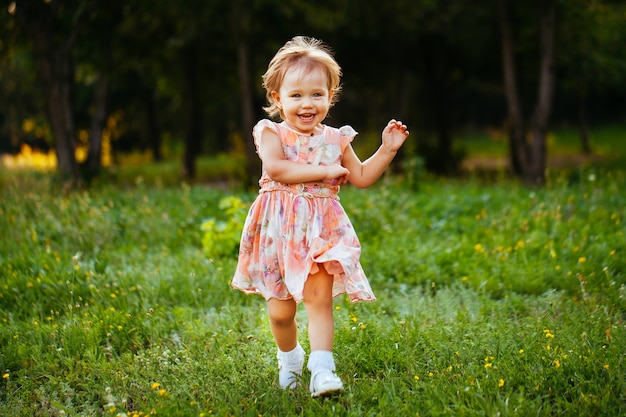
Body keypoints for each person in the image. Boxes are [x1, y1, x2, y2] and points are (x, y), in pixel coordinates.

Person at [232, 36, 409, 397]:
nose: (307, 103)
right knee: (281, 313)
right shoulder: (271, 132)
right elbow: (277, 169)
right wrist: (324, 172)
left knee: (319, 299)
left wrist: (386, 151)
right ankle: (291, 359)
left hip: (321, 231)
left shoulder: (336, 139)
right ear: (277, 99)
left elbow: (359, 177)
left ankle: (322, 370)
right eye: (296, 95)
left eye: (317, 94)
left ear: (331, 96)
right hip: (278, 231)